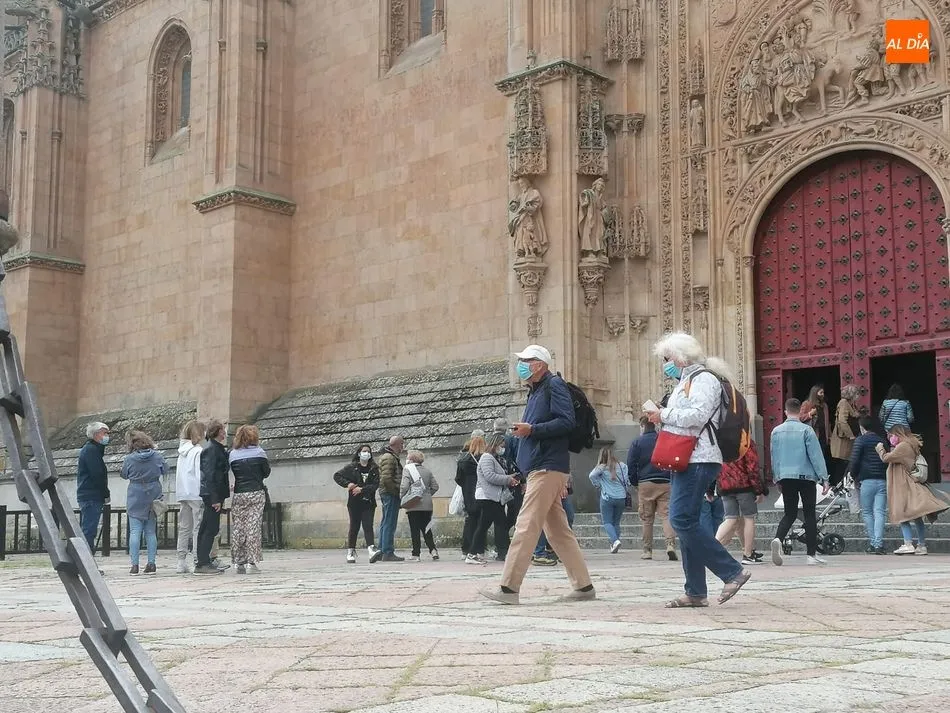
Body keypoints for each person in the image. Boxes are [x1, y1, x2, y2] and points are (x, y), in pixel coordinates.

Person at [481, 344, 595, 605]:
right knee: (558, 533)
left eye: (527, 360)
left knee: (525, 526)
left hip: (547, 465)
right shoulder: (536, 390)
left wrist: (532, 429)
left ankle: (509, 588)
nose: (521, 364)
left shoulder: (554, 385)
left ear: (540, 364)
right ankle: (584, 586)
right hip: (540, 466)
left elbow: (567, 421)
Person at [647, 333, 749, 608]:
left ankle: (732, 571)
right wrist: (661, 417)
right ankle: (695, 591)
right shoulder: (686, 382)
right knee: (687, 522)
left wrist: (664, 414)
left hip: (699, 457)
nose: (665, 365)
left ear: (680, 357)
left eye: (667, 359)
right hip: (686, 457)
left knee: (681, 520)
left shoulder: (703, 379)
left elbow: (697, 416)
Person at [768, 398, 830, 566]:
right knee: (809, 514)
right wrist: (824, 478)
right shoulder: (806, 430)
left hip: (786, 476)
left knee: (790, 513)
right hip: (806, 476)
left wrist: (776, 477)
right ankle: (811, 555)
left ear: (786, 412)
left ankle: (778, 539)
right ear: (799, 410)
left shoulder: (776, 431)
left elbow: (774, 456)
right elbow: (815, 456)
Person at [877, 425, 949, 555]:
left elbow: (886, 458)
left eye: (891, 435)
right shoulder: (910, 444)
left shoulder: (903, 446)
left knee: (903, 513)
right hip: (907, 483)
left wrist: (880, 449)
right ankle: (921, 545)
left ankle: (908, 543)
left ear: (898, 434)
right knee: (915, 516)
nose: (890, 438)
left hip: (904, 483)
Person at [627, 415, 677, 561]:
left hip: (646, 482)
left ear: (642, 427)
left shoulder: (637, 442)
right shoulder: (664, 440)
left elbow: (631, 464)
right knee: (666, 515)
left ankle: (647, 550)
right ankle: (670, 544)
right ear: (655, 426)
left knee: (647, 518)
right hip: (665, 481)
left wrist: (635, 482)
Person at [224, 425, 270, 575]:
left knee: (238, 528)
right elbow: (266, 472)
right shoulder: (260, 453)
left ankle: (238, 562)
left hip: (239, 493)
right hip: (256, 492)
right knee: (253, 527)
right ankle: (252, 562)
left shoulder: (232, 454)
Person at [469, 435, 519, 564]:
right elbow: (490, 476)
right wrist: (508, 479)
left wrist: (509, 477)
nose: (502, 448)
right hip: (488, 496)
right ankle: (476, 553)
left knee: (486, 525)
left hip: (491, 496)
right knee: (496, 524)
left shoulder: (491, 458)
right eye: (501, 446)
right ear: (495, 444)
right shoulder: (487, 458)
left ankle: (477, 552)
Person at [121, 431, 165, 575]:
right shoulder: (157, 456)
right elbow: (165, 469)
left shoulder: (130, 459)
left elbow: (124, 474)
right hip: (153, 494)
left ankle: (134, 565)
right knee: (150, 532)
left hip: (135, 494)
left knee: (135, 531)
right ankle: (151, 563)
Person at [714, 441, 766, 565]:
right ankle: (748, 554)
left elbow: (714, 464)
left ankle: (712, 548)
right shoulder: (746, 442)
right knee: (749, 518)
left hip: (725, 485)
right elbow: (752, 467)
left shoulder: (720, 442)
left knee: (730, 519)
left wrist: (712, 487)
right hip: (744, 486)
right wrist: (759, 490)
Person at [333, 444, 382, 564]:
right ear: (359, 453)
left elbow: (375, 485)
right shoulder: (352, 467)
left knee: (368, 525)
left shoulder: (374, 468)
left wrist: (362, 489)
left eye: (368, 451)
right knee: (354, 526)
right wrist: (348, 484)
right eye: (364, 451)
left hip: (368, 502)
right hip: (354, 502)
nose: (366, 453)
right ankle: (351, 551)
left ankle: (371, 549)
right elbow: (337, 476)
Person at [847, 416, 888, 554]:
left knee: (867, 512)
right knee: (880, 512)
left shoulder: (860, 440)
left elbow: (854, 460)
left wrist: (851, 476)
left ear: (862, 427)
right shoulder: (882, 440)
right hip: (882, 480)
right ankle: (878, 544)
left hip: (866, 480)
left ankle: (873, 543)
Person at [196, 420, 230, 574]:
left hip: (213, 492)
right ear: (217, 432)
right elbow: (209, 475)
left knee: (208, 527)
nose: (225, 432)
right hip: (211, 494)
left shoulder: (216, 448)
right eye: (223, 430)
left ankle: (204, 560)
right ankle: (203, 562)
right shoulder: (211, 450)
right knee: (209, 528)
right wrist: (215, 498)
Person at [175, 420, 206, 574]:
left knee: (184, 527)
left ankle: (181, 561)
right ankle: (196, 558)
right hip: (196, 492)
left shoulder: (181, 451)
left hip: (183, 492)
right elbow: (199, 473)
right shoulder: (198, 451)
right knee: (197, 528)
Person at [399, 449, 440, 562]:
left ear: (411, 460)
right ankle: (433, 550)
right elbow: (435, 486)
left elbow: (404, 486)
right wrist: (427, 494)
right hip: (427, 504)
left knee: (415, 529)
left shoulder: (408, 469)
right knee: (427, 528)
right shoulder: (427, 471)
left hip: (414, 504)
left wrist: (402, 498)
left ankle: (416, 554)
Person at [77, 422, 111, 554]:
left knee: (89, 529)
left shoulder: (94, 449)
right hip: (91, 495)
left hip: (91, 495)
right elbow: (97, 474)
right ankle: (86, 562)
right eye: (104, 433)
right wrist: (105, 493)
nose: (107, 436)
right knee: (89, 531)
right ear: (96, 434)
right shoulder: (91, 450)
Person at [589, 447, 629, 554]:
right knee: (616, 522)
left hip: (607, 497)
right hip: (621, 497)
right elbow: (626, 481)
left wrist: (598, 484)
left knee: (607, 522)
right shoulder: (622, 466)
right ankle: (614, 544)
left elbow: (591, 476)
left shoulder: (602, 468)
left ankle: (615, 541)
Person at [377, 435, 406, 562]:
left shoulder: (389, 456)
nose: (402, 447)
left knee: (385, 522)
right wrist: (396, 492)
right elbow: (387, 478)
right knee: (389, 522)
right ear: (395, 444)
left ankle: (382, 550)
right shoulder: (389, 457)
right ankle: (387, 551)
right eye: (401, 444)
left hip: (387, 493)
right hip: (390, 493)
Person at [530, 488, 575, 566]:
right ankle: (539, 553)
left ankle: (560, 550)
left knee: (568, 517)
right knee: (544, 519)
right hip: (548, 488)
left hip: (557, 488)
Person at [456, 435, 483, 559]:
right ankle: (478, 549)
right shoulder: (482, 459)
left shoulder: (462, 460)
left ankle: (466, 549)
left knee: (470, 521)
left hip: (467, 493)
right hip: (480, 492)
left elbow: (458, 479)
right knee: (480, 522)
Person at [830, 385, 861, 487]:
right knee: (843, 462)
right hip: (844, 439)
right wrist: (850, 435)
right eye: (856, 394)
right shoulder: (844, 403)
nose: (858, 396)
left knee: (846, 462)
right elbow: (842, 421)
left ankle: (843, 484)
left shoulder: (851, 404)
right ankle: (838, 485)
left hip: (849, 438)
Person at [801, 384, 831, 472]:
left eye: (823, 392)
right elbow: (800, 417)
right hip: (813, 436)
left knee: (822, 459)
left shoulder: (824, 406)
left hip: (822, 436)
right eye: (821, 392)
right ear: (815, 393)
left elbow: (827, 421)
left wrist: (829, 435)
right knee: (812, 459)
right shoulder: (807, 404)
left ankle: (821, 480)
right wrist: (810, 414)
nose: (822, 394)